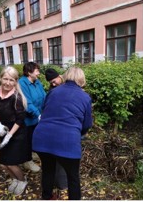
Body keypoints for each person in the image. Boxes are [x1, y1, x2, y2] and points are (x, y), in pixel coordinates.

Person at [33, 67, 92, 200]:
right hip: (68, 141)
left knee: (48, 170)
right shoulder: (85, 97)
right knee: (73, 178)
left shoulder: (53, 92)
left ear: (65, 76)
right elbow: (87, 124)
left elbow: (45, 110)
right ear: (82, 79)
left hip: (42, 138)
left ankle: (47, 197)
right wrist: (78, 133)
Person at [0, 66, 29, 195]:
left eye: (11, 80)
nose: (8, 82)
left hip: (17, 133)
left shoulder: (17, 97)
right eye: (5, 79)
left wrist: (9, 136)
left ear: (15, 82)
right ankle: (15, 179)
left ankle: (22, 180)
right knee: (3, 163)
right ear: (0, 78)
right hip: (4, 130)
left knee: (10, 163)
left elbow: (20, 120)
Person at [19, 62, 46, 173]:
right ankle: (27, 161)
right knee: (26, 139)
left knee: (34, 137)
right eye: (37, 71)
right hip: (27, 118)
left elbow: (44, 96)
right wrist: (38, 114)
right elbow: (27, 103)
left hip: (38, 116)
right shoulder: (22, 83)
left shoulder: (37, 81)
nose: (39, 73)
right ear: (29, 72)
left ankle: (32, 153)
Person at [45, 68, 68, 194]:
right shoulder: (52, 91)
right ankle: (60, 183)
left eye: (54, 81)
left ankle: (62, 182)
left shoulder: (69, 84)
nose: (53, 84)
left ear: (59, 76)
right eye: (51, 83)